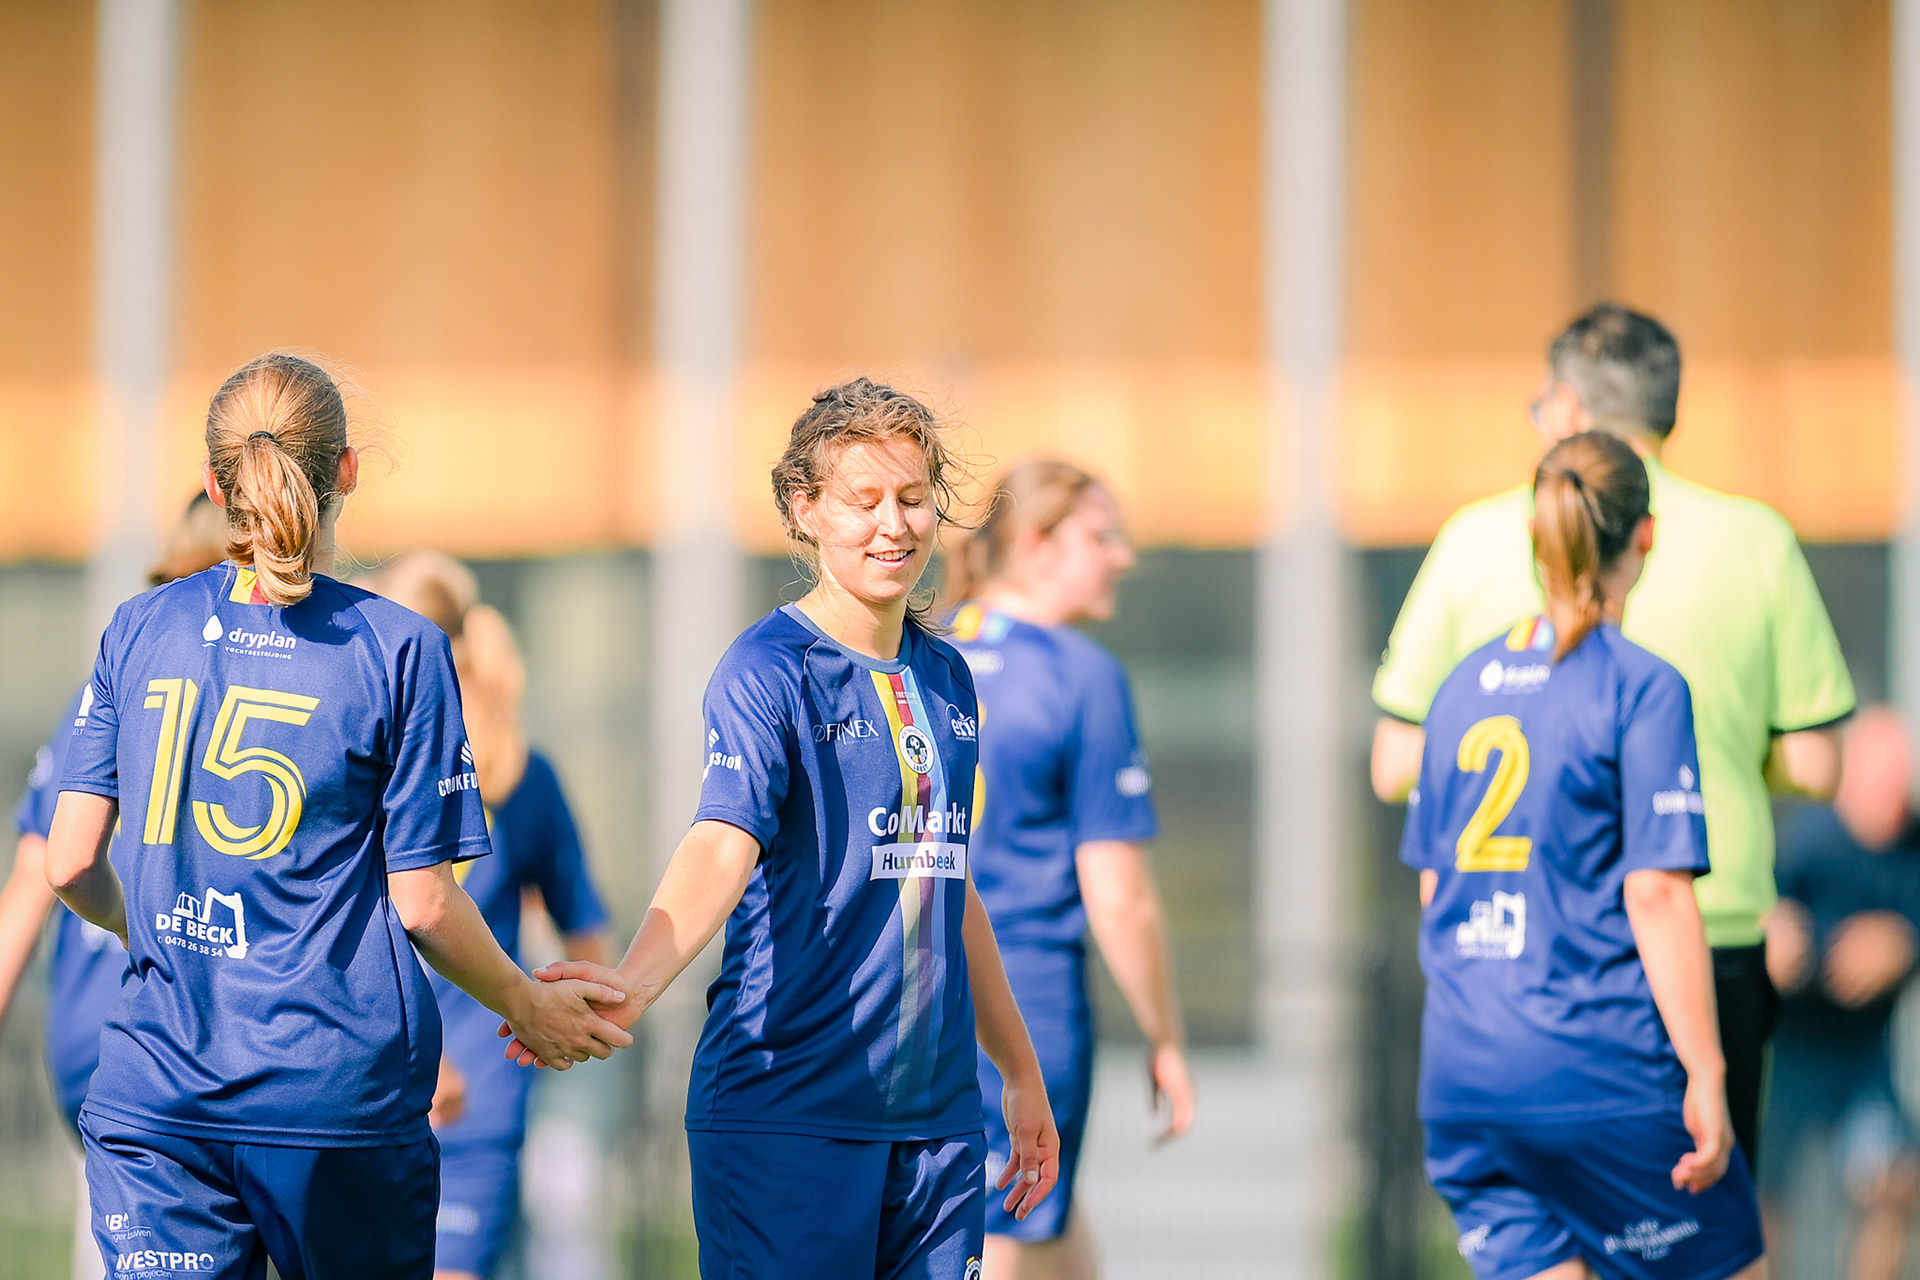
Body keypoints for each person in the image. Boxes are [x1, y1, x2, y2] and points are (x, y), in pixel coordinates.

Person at [42, 351, 631, 1280]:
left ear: (215, 484)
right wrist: (525, 1002)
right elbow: (424, 904)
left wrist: (136, 924)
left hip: (159, 1099)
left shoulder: (138, 626)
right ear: (347, 471)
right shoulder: (400, 649)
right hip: (335, 1103)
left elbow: (70, 862)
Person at [515, 377, 1061, 1278]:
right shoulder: (767, 669)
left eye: (912, 499)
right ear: (806, 509)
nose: (893, 525)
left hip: (937, 1130)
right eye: (863, 501)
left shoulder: (949, 680)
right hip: (786, 1116)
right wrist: (631, 986)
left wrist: (1020, 1072)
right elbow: (719, 844)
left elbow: (947, 886)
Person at [1371, 303, 1855, 1163]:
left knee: (1546, 1211)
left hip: (1521, 956)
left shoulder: (1475, 539)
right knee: (1698, 1212)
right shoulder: (1757, 541)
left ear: (1566, 406)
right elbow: (1818, 764)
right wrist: (1717, 757)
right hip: (1709, 939)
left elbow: (1396, 763)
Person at [1406, 431, 1766, 1280]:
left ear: (1537, 537)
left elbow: (1434, 888)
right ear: (1646, 536)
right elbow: (1657, 895)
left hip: (1463, 1076)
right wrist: (1707, 1073)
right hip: (1594, 1072)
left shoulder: (1458, 689)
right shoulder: (1641, 686)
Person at [940, 458, 1196, 1280]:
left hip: (904, 991)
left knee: (1038, 1214)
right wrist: (1165, 1036)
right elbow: (1119, 894)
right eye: (1101, 536)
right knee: (1005, 1234)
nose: (1123, 556)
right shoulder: (1077, 674)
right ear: (1036, 544)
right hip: (1023, 999)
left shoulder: (919, 652)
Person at [360, 553, 613, 1280]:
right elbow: (591, 946)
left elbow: (586, 937)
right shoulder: (365, 759)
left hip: (440, 1105)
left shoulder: (518, 778)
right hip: (387, 1097)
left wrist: (545, 1025)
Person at [0, 493, 227, 1280]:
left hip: (89, 1057)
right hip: (185, 1042)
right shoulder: (277, 688)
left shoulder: (114, 677)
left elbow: (39, 876)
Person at [1760, 707, 1920, 1280]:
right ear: (1850, 779)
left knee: (1896, 1177)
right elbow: (1760, 917)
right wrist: (1775, 941)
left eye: (1899, 785)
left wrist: (1904, 942)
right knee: (1760, 1193)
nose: (1890, 799)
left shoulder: (1912, 846)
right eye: (1879, 782)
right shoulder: (1806, 842)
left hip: (1863, 1056)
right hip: (1791, 1050)